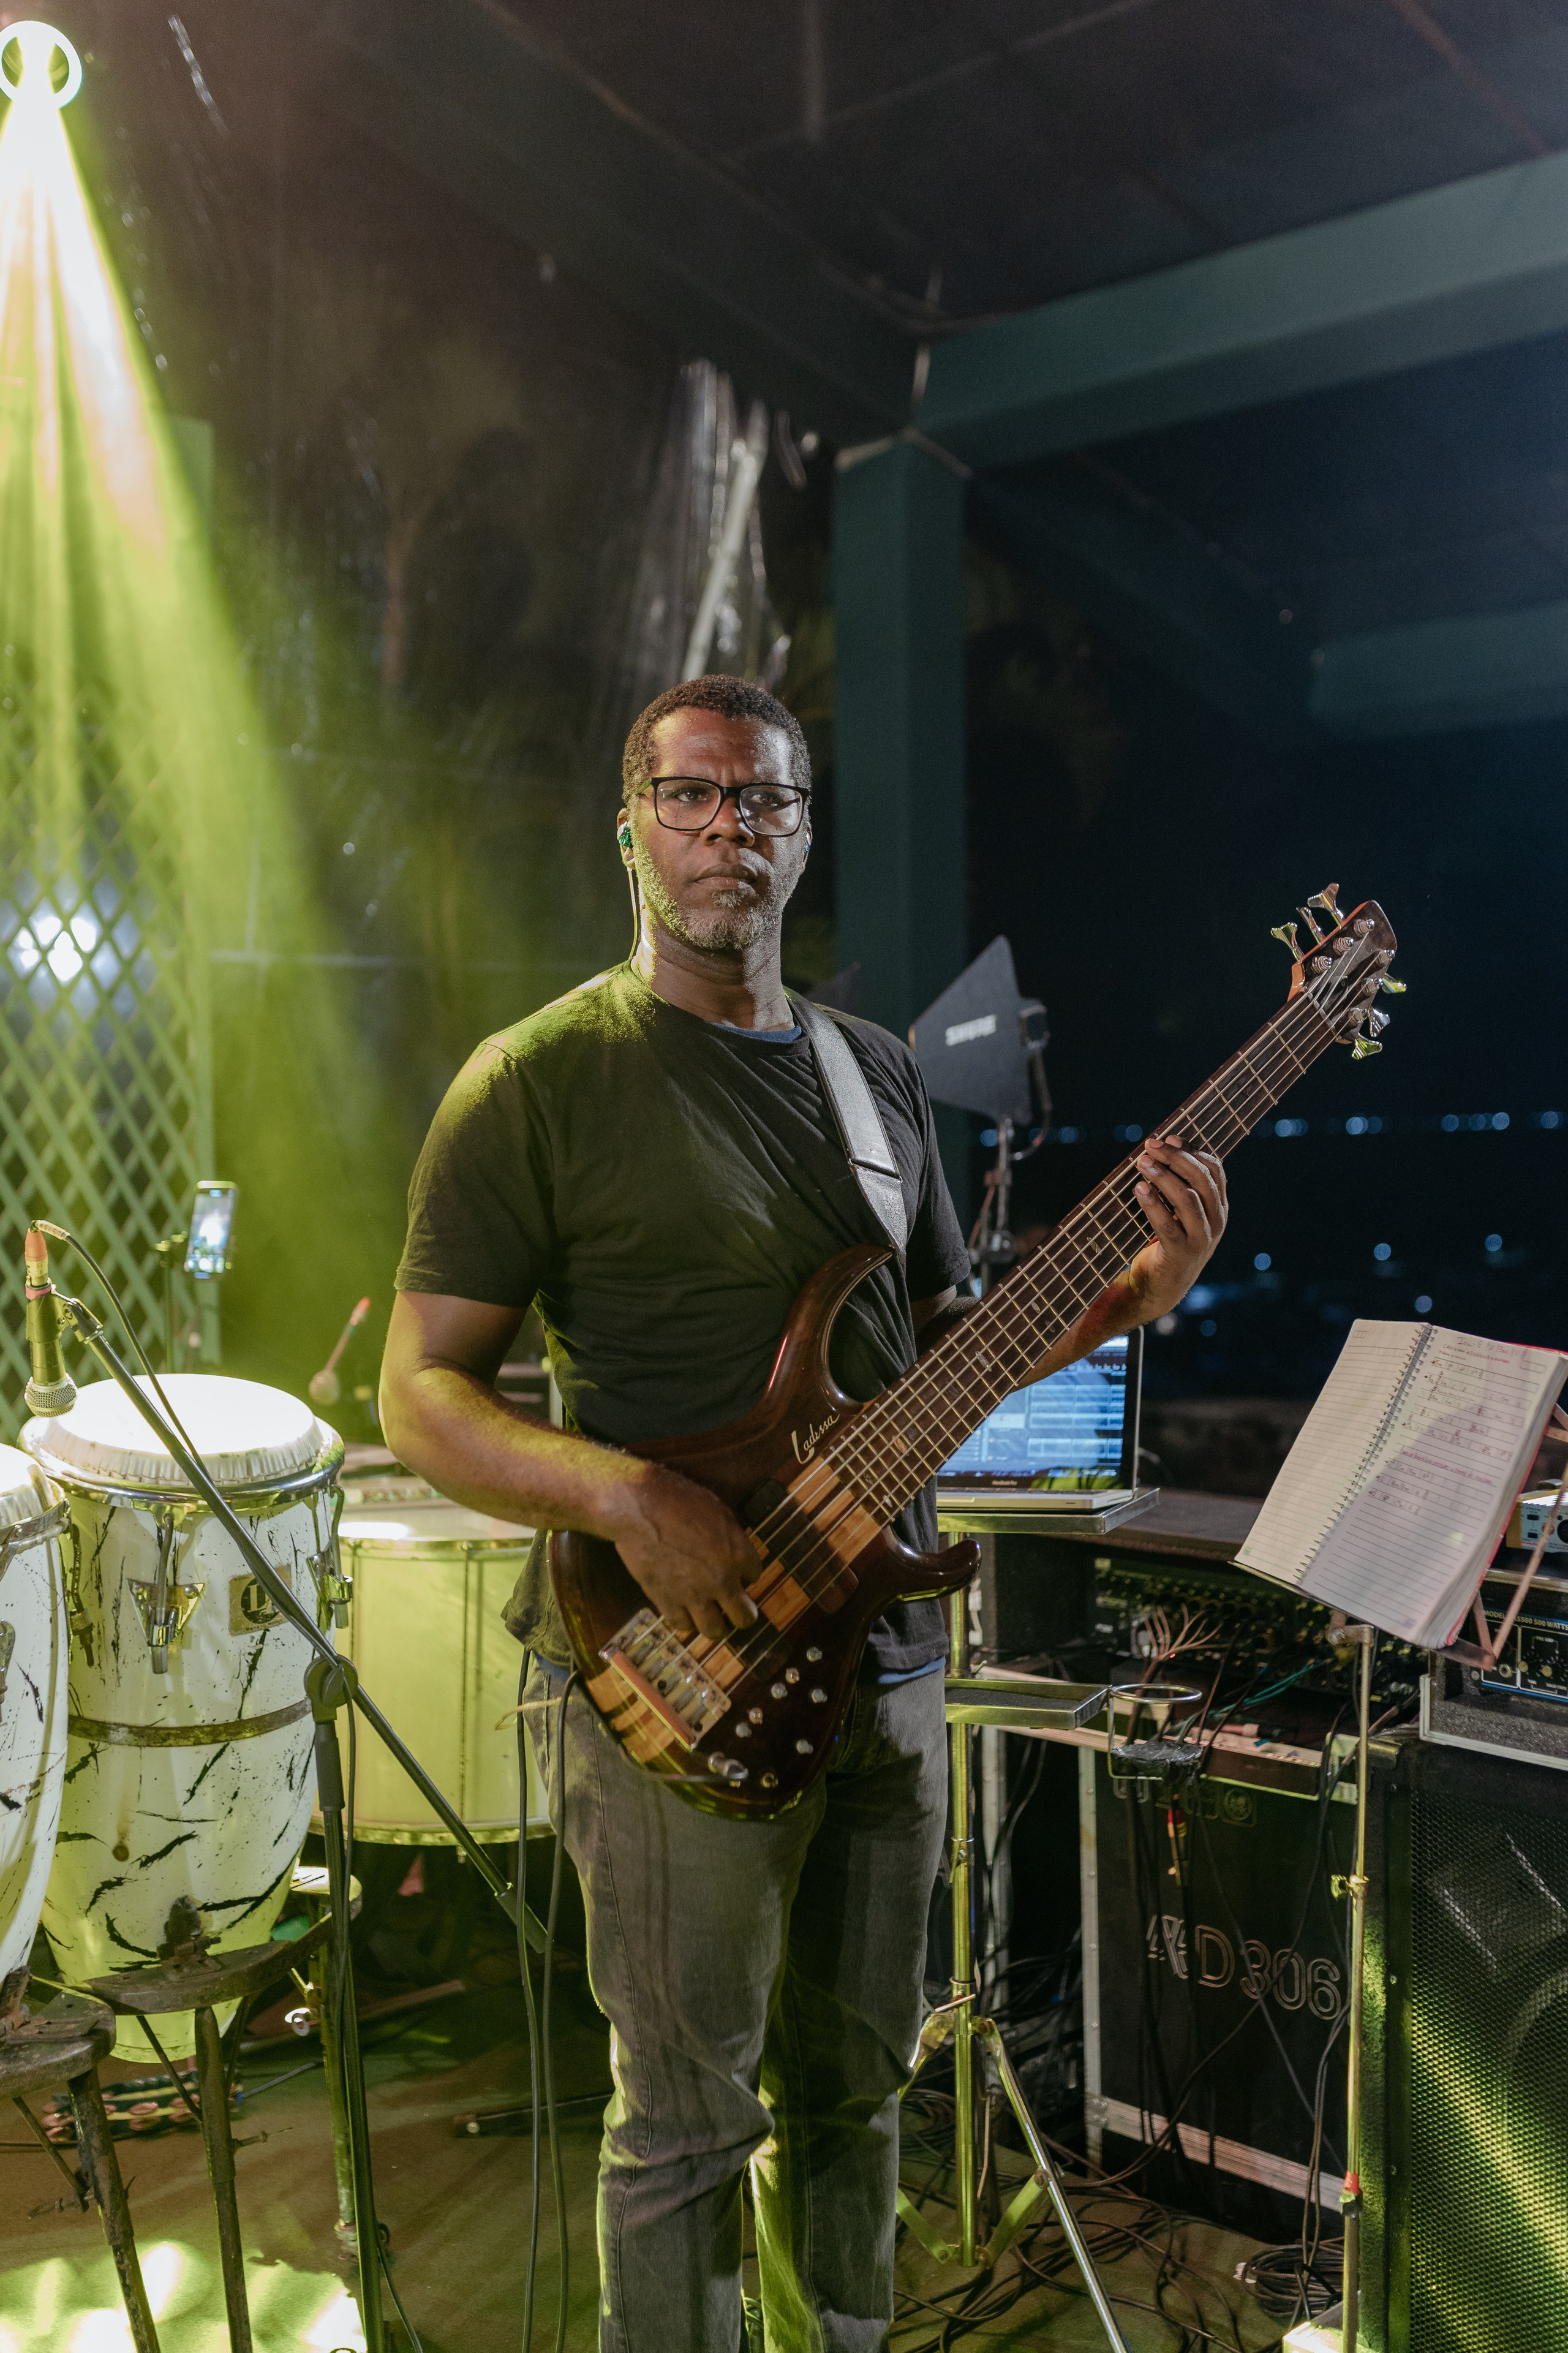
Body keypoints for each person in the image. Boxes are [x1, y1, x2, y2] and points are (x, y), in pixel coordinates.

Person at [379, 674, 1228, 2352]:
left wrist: (1136, 1296)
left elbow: (945, 1347)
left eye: (763, 799)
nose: (728, 829)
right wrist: (627, 1493)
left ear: (803, 833)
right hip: (669, 1659)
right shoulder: (536, 1080)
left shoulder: (875, 1074)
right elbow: (417, 1394)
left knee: (862, 2089)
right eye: (691, 795)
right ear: (630, 829)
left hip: (887, 1657)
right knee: (689, 2125)